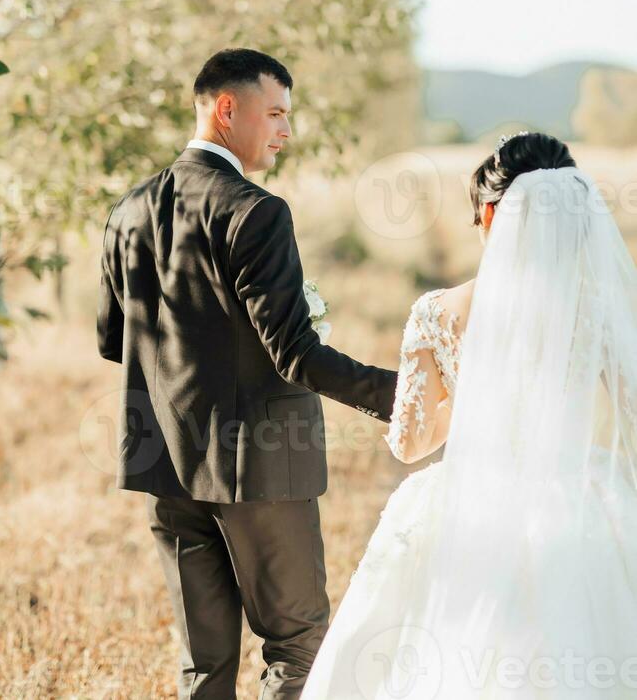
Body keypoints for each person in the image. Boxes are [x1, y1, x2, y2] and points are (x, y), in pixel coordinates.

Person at [96, 48, 397, 700]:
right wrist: (403, 395)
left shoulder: (127, 211)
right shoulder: (256, 212)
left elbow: (114, 340)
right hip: (260, 468)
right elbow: (295, 353)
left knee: (202, 668)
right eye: (277, 113)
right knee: (296, 644)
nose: (286, 131)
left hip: (166, 468)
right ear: (227, 109)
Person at [301, 131, 637, 700]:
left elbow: (409, 445)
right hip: (580, 500)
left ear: (488, 212)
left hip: (468, 500)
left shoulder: (437, 312)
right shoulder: (597, 310)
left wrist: (474, 394)